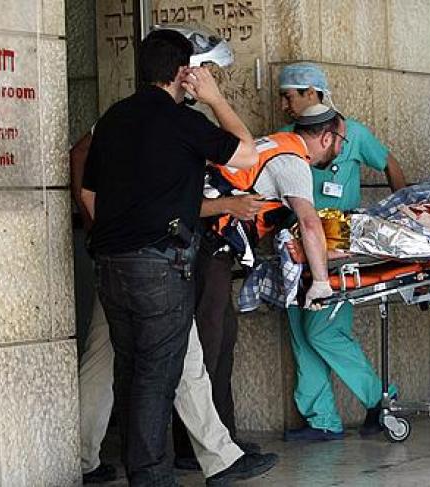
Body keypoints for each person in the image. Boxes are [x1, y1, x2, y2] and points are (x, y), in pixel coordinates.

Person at [80, 29, 258, 485]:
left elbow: (90, 193)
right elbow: (246, 154)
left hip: (111, 265)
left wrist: (125, 231)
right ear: (184, 73)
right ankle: (151, 476)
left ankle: (212, 459)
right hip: (159, 267)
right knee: (156, 376)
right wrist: (215, 99)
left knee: (132, 370)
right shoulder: (182, 121)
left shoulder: (113, 118)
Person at [71, 134, 277, 484]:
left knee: (102, 361)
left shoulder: (126, 127)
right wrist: (228, 205)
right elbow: (176, 202)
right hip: (153, 266)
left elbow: (83, 161)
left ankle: (80, 456)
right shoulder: (165, 126)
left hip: (116, 259)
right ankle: (218, 458)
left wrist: (94, 222)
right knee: (184, 360)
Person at [277, 62, 407, 441]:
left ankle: (380, 397)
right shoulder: (286, 140)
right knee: (301, 334)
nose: (284, 104)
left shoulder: (351, 134)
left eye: (289, 96)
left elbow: (389, 163)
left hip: (337, 244)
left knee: (324, 330)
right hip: (295, 246)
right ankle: (322, 419)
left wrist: (402, 211)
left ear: (312, 93)